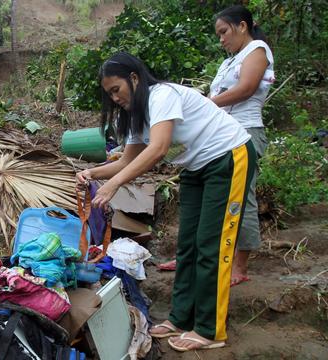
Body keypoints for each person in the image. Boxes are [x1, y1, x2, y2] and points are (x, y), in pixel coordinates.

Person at [76, 52, 256, 351]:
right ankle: (181, 317)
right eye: (109, 94)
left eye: (116, 89)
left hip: (228, 157)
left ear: (134, 78)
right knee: (188, 245)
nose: (115, 98)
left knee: (212, 244)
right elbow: (127, 161)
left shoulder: (163, 95)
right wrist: (91, 172)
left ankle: (211, 330)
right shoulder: (137, 116)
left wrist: (113, 185)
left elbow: (158, 149)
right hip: (196, 168)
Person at [209, 5, 275, 287]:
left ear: (242, 26)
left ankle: (240, 265)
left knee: (241, 199)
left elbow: (247, 88)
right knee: (216, 197)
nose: (221, 39)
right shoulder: (229, 61)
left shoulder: (257, 50)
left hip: (246, 132)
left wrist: (207, 104)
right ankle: (210, 256)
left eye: (224, 32)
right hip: (221, 135)